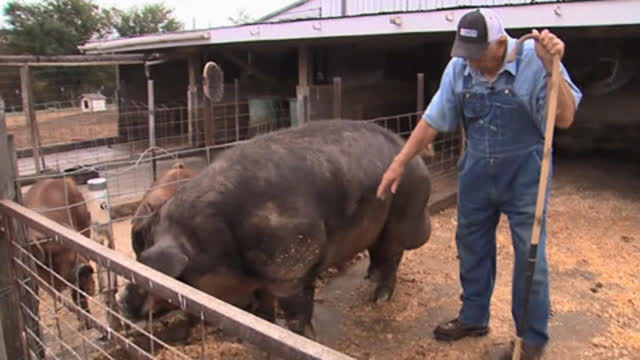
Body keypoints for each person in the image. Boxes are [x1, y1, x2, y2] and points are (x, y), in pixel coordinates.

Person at [376, 8, 582, 360]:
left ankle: (530, 342)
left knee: (530, 257)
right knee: (471, 245)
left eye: (477, 55)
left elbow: (563, 118)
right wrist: (398, 162)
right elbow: (433, 118)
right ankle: (473, 317)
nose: (469, 63)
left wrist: (552, 69)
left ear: (500, 43)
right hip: (476, 169)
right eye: (465, 55)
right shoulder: (459, 68)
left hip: (525, 173)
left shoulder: (536, 58)